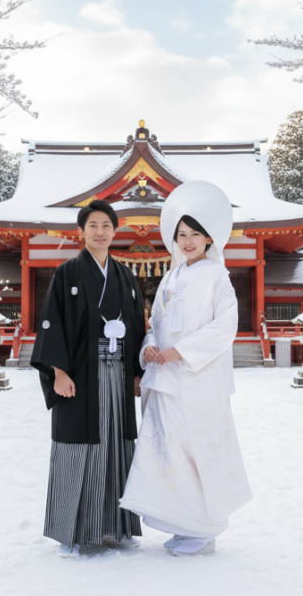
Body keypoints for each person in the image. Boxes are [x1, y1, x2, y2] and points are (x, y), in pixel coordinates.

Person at [120, 181, 253, 557]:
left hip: (197, 379)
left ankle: (204, 528)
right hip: (165, 380)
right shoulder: (171, 276)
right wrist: (149, 348)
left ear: (210, 238)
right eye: (182, 234)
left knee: (196, 453)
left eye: (195, 234)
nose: (188, 241)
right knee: (166, 452)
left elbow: (225, 326)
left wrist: (180, 351)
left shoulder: (217, 276)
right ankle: (182, 523)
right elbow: (155, 324)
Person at [31, 199, 147, 558]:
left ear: (115, 231)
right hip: (80, 374)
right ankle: (77, 528)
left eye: (106, 226)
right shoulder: (68, 273)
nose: (100, 232)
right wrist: (58, 372)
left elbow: (138, 327)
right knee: (80, 444)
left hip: (117, 372)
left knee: (116, 444)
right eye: (93, 226)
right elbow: (52, 321)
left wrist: (137, 373)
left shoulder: (126, 276)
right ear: (81, 232)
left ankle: (115, 525)